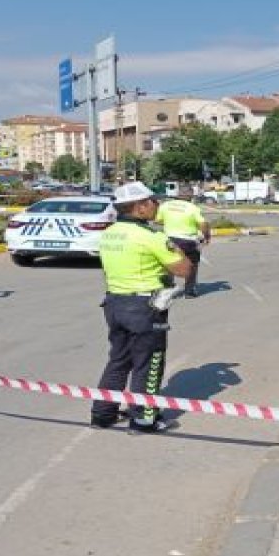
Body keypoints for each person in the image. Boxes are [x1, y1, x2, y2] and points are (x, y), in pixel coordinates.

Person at [91, 182, 192, 433]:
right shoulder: (151, 237)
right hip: (145, 306)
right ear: (140, 206)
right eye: (153, 201)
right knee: (148, 362)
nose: (157, 205)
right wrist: (178, 247)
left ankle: (103, 414)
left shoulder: (110, 233)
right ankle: (144, 418)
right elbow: (184, 269)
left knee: (118, 360)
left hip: (115, 302)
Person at [155, 194, 210, 298]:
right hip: (188, 241)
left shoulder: (166, 205)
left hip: (169, 239)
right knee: (192, 265)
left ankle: (168, 290)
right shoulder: (192, 207)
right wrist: (206, 236)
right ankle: (189, 291)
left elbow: (157, 220)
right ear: (190, 196)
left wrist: (169, 223)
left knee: (169, 265)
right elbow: (203, 224)